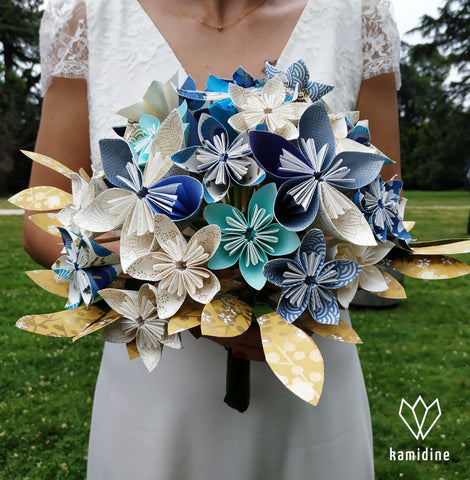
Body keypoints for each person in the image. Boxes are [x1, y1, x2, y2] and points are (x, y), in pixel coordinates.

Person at [24, 0, 402, 478]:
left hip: (304, 365)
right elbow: (41, 216)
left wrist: (289, 290)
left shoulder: (357, 16)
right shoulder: (85, 16)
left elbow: (383, 209)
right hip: (153, 376)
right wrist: (160, 276)